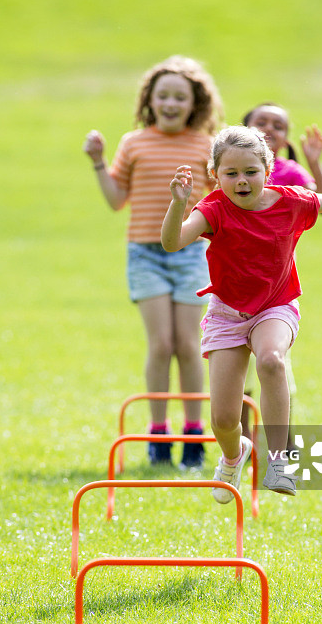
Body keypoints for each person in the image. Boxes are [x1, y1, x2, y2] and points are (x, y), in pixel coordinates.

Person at [161, 125, 322, 500]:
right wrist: (178, 202)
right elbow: (172, 243)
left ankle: (280, 460)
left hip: (276, 305)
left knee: (271, 360)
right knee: (222, 418)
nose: (242, 181)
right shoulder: (213, 209)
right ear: (215, 176)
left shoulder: (291, 201)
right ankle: (234, 457)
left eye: (251, 171)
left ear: (267, 170)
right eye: (231, 173)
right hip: (227, 312)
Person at [83, 55, 224, 468]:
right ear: (150, 99)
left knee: (188, 344)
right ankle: (158, 433)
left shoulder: (205, 145)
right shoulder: (134, 142)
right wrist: (97, 161)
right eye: (163, 95)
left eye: (180, 97)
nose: (170, 103)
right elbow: (115, 201)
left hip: (191, 251)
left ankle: (195, 433)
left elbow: (220, 201)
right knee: (160, 344)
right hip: (145, 254)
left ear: (194, 103)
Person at [241, 103, 322, 447]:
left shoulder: (291, 173)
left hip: (275, 289)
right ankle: (240, 445)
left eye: (278, 125)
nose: (269, 128)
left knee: (276, 364)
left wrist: (314, 163)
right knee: (238, 375)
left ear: (285, 137)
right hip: (233, 287)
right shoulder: (232, 169)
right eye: (260, 122)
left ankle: (281, 446)